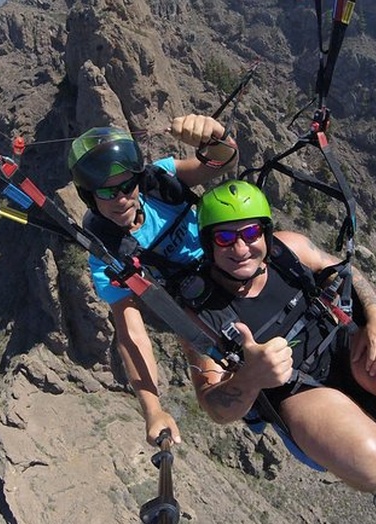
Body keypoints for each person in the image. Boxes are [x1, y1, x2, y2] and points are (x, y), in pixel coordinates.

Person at [180, 180, 376, 524]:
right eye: (225, 238)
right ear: (208, 244)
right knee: (371, 466)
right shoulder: (200, 313)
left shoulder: (287, 250)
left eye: (250, 233)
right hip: (296, 390)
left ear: (265, 233)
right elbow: (212, 405)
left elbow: (344, 271)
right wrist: (250, 377)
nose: (241, 248)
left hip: (342, 346)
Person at [68, 114, 238, 446]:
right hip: (195, 312)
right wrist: (153, 409)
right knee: (216, 401)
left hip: (230, 264)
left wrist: (216, 136)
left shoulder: (160, 181)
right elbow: (131, 333)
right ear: (89, 196)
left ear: (137, 179)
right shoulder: (106, 254)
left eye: (126, 186)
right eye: (105, 191)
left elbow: (221, 163)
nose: (120, 199)